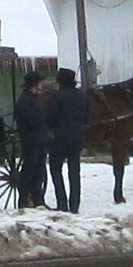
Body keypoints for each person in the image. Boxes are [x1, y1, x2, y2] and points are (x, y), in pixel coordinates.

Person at [47, 67, 90, 213]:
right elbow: (87, 118)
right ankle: (74, 205)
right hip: (78, 137)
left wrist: (50, 129)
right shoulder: (83, 96)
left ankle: (62, 203)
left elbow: (51, 117)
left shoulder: (58, 97)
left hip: (60, 137)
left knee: (55, 168)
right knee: (74, 170)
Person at [13, 70, 48, 208]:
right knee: (29, 171)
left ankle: (38, 199)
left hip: (39, 140)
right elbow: (31, 119)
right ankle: (24, 200)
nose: (41, 85)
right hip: (30, 141)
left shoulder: (34, 99)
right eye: (40, 82)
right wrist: (44, 114)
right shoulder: (24, 101)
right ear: (34, 84)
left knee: (39, 170)